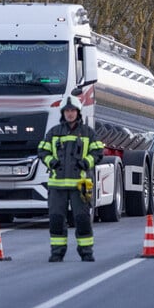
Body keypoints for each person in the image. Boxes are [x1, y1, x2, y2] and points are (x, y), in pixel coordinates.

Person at [38, 95, 104, 262]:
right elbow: (42, 151)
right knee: (56, 219)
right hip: (57, 185)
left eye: (72, 110)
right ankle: (57, 253)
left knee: (82, 219)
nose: (70, 114)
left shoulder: (88, 133)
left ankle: (86, 252)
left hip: (80, 184)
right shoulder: (53, 132)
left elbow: (98, 152)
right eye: (67, 111)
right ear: (63, 113)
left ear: (78, 112)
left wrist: (85, 163)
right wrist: (51, 162)